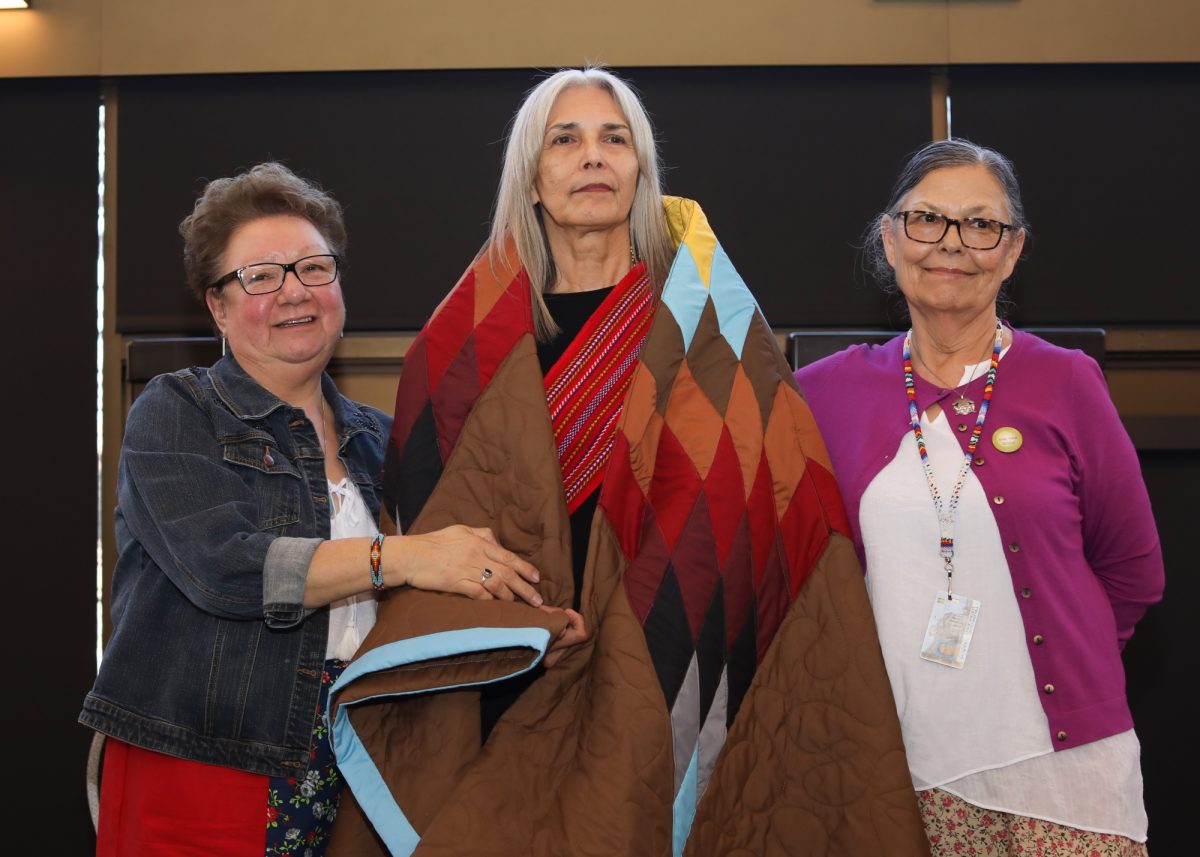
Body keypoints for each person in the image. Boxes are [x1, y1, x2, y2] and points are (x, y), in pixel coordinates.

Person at [325, 68, 928, 857]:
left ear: (641, 167)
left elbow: (765, 500)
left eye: (615, 138)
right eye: (565, 140)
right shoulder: (457, 345)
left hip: (664, 648)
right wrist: (521, 620)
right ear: (530, 177)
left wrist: (641, 624)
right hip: (507, 663)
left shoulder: (708, 322)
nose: (593, 156)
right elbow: (432, 517)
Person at [79, 162, 542, 857]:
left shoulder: (384, 440)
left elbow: (439, 589)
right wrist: (400, 556)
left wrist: (536, 617)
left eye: (313, 267)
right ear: (218, 307)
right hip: (207, 761)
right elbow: (226, 568)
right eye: (260, 276)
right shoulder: (176, 411)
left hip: (361, 763)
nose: (294, 290)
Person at [793, 139, 1164, 856]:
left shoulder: (1068, 383)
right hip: (893, 767)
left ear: (1013, 250)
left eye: (981, 224)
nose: (952, 243)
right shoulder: (823, 394)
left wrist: (1063, 656)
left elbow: (1133, 571)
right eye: (927, 219)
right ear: (890, 239)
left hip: (1061, 772)